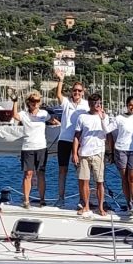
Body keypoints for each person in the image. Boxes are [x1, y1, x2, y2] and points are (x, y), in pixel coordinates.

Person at [13, 90, 59, 208]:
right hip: (28, 147)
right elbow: (15, 116)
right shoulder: (24, 114)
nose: (35, 103)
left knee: (41, 174)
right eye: (33, 101)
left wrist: (61, 125)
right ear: (28, 102)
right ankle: (26, 200)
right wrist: (15, 102)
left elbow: (52, 120)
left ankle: (42, 199)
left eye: (37, 101)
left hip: (41, 147)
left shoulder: (43, 113)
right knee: (28, 174)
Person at [72, 94, 116, 216]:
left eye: (98, 103)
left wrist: (111, 152)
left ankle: (101, 207)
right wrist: (74, 153)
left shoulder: (105, 117)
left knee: (99, 181)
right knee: (84, 181)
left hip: (98, 152)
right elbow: (76, 136)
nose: (96, 105)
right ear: (89, 104)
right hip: (84, 153)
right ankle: (86, 206)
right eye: (93, 103)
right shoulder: (82, 117)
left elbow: (109, 134)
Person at [53, 72, 88, 207]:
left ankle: (82, 200)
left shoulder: (86, 105)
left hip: (79, 141)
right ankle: (61, 198)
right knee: (62, 170)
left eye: (79, 91)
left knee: (80, 171)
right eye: (75, 90)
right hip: (64, 140)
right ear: (72, 91)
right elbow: (58, 95)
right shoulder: (66, 103)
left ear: (83, 92)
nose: (77, 93)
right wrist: (61, 80)